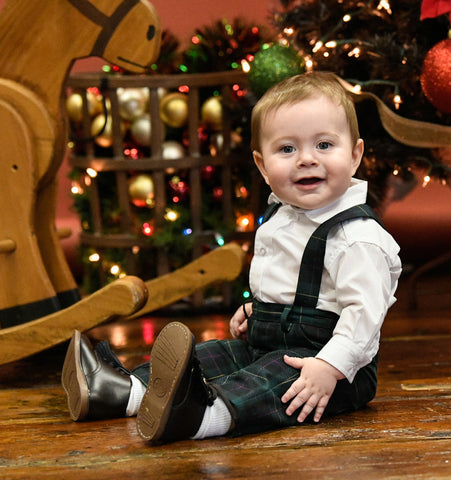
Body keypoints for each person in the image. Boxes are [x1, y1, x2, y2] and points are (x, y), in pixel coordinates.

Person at [62, 71, 402, 444]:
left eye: (324, 145)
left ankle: (204, 416)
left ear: (354, 155)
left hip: (326, 367)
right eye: (287, 149)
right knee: (211, 356)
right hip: (267, 343)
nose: (306, 159)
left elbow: (364, 316)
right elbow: (285, 286)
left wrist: (330, 366)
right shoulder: (280, 216)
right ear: (261, 165)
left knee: (269, 380)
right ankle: (121, 391)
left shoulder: (357, 238)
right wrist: (258, 311)